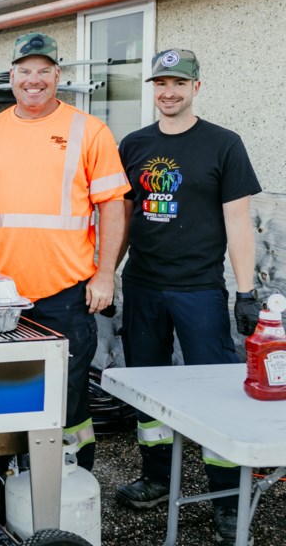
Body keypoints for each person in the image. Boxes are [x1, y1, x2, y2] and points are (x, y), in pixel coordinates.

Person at [114, 49, 262, 545]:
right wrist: (104, 277)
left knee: (219, 392)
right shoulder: (133, 145)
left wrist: (246, 293)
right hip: (142, 287)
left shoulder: (223, 144)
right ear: (152, 89)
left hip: (199, 289)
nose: (168, 92)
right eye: (160, 83)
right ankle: (156, 478)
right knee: (146, 387)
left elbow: (238, 222)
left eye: (178, 83)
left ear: (196, 87)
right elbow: (123, 219)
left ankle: (225, 496)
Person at [0, 32, 129, 472]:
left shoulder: (88, 130)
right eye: (24, 71)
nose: (33, 80)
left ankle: (71, 482)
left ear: (57, 75)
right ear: (11, 75)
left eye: (43, 71)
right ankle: (0, 480)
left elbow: (113, 206)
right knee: (1, 388)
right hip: (1, 296)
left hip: (66, 293)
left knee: (68, 396)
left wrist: (105, 274)